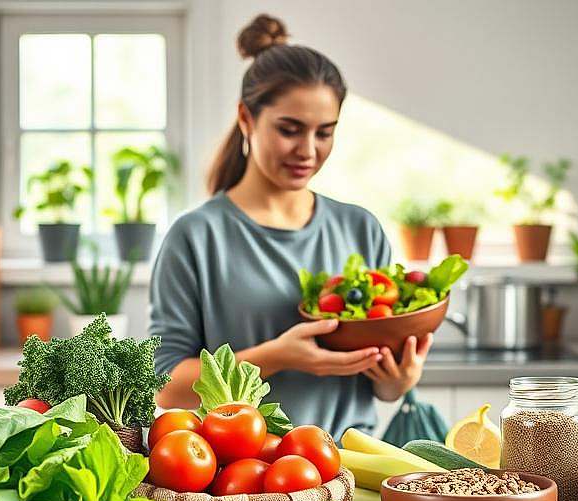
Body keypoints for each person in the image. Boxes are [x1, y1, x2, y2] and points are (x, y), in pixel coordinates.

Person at [149, 14, 433, 437]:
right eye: (289, 130)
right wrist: (276, 356)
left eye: (324, 133)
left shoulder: (360, 228)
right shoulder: (195, 237)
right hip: (241, 481)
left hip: (345, 476)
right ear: (246, 118)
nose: (307, 150)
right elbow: (167, 386)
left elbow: (380, 387)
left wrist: (397, 381)